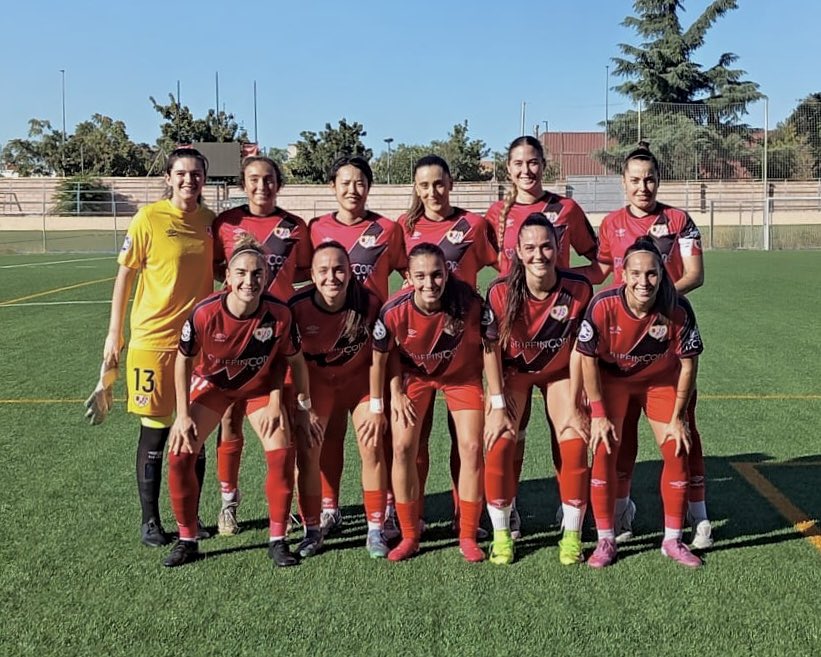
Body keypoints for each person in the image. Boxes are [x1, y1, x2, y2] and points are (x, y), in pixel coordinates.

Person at [163, 235, 322, 568]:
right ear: (229, 277)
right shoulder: (205, 313)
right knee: (179, 454)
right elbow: (183, 360)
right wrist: (181, 414)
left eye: (256, 274)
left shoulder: (279, 314)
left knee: (281, 451)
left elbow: (293, 361)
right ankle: (187, 538)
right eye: (241, 273)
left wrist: (301, 407)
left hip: (259, 389)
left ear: (266, 276)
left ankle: (278, 539)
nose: (249, 281)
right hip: (214, 386)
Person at [590, 142, 711, 549]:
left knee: (683, 430)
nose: (644, 187)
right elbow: (603, 270)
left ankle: (699, 516)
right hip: (619, 345)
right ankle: (623, 511)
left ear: (660, 180)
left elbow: (695, 273)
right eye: (636, 180)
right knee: (620, 436)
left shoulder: (678, 220)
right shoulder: (610, 224)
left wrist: (656, 300)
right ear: (623, 183)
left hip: (667, 337)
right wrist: (555, 276)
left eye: (651, 179)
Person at [362, 243, 512, 562]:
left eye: (436, 275)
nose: (429, 284)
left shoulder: (470, 303)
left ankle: (468, 534)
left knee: (471, 447)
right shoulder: (394, 309)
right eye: (421, 276)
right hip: (414, 378)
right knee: (403, 447)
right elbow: (380, 357)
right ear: (409, 278)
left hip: (461, 378)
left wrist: (497, 401)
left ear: (447, 273)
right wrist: (386, 400)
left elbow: (490, 348)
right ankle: (410, 534)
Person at [485, 135, 600, 537]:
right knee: (508, 433)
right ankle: (508, 509)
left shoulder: (565, 208)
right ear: (508, 169)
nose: (526, 170)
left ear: (543, 165)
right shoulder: (495, 214)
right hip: (515, 342)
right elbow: (469, 262)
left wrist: (571, 282)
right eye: (518, 163)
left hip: (558, 336)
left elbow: (600, 262)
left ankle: (567, 507)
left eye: (533, 162)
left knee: (568, 429)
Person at [101, 147, 214, 547]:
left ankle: (192, 517)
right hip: (152, 343)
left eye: (196, 173)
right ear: (168, 177)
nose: (189, 180)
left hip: (197, 346)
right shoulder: (148, 219)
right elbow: (124, 278)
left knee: (194, 434)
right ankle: (150, 521)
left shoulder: (209, 222)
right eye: (181, 173)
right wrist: (115, 334)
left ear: (204, 178)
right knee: (155, 431)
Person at [577, 236, 703, 569]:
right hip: (614, 382)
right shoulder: (603, 305)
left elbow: (688, 364)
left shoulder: (677, 307)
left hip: (660, 382)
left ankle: (672, 540)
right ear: (623, 273)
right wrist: (599, 414)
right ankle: (606, 538)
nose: (643, 282)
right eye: (636, 273)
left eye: (651, 274)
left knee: (677, 447)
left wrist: (678, 417)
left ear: (662, 274)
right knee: (604, 448)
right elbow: (587, 358)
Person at [211, 155, 312, 536]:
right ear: (243, 183)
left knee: (282, 422)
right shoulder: (227, 223)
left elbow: (304, 272)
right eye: (253, 179)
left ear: (279, 183)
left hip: (277, 340)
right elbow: (216, 268)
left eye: (268, 179)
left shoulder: (295, 227)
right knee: (229, 421)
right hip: (233, 340)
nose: (261, 186)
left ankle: (293, 507)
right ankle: (228, 504)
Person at [398, 154, 497, 534]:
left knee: (466, 442)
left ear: (451, 183)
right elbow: (394, 272)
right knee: (414, 441)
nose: (432, 192)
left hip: (462, 349)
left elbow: (501, 265)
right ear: (416, 188)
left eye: (439, 183)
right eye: (424, 185)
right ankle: (414, 518)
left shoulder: (472, 224)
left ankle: (466, 517)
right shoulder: (403, 228)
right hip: (417, 352)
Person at [308, 156, 407, 536]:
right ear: (333, 186)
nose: (353, 189)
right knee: (329, 435)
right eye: (345, 182)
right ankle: (330, 508)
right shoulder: (315, 229)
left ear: (369, 186)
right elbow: (301, 276)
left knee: (374, 437)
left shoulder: (386, 229)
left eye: (360, 182)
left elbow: (407, 274)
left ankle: (383, 510)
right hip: (324, 358)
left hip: (371, 355)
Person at [288, 241, 389, 558]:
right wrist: (302, 406)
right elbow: (289, 361)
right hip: (316, 385)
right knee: (308, 449)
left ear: (350, 272)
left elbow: (381, 356)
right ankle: (314, 528)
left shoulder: (369, 302)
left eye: (339, 269)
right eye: (324, 271)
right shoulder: (296, 306)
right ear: (313, 277)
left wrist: (376, 405)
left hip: (358, 383)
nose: (332, 277)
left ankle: (375, 529)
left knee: (372, 445)